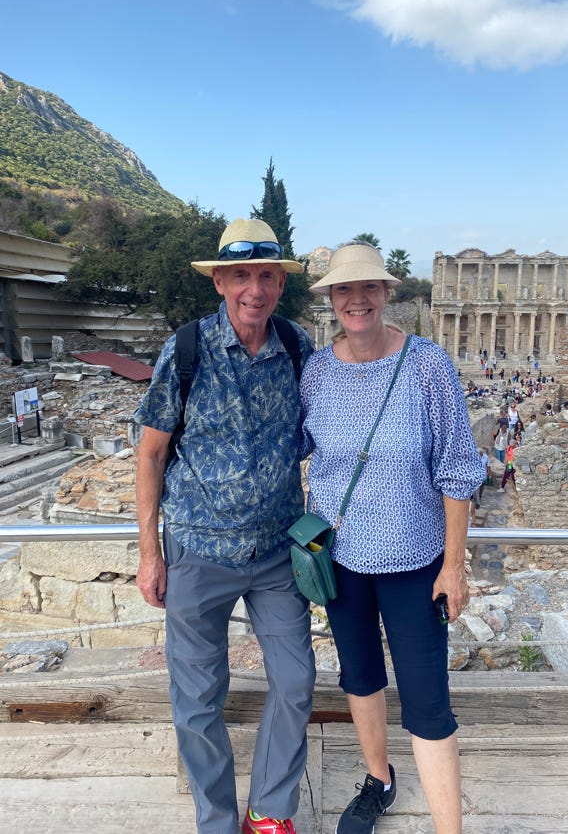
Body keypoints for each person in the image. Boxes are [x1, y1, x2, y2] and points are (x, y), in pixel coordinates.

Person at [134, 218, 316, 834]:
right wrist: (149, 554)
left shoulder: (297, 347)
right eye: (240, 275)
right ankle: (214, 819)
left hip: (276, 552)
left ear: (281, 284)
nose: (254, 290)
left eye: (266, 276)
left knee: (296, 680)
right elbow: (151, 453)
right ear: (219, 281)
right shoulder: (186, 349)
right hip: (197, 548)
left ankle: (269, 809)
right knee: (196, 699)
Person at [300, 242, 485, 834]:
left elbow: (458, 470)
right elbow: (297, 449)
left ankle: (448, 828)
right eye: (344, 289)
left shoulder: (428, 366)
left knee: (428, 700)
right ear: (331, 299)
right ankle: (378, 781)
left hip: (415, 560)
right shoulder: (316, 371)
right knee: (359, 677)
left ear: (386, 293)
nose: (356, 299)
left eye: (368, 288)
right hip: (340, 559)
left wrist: (454, 566)